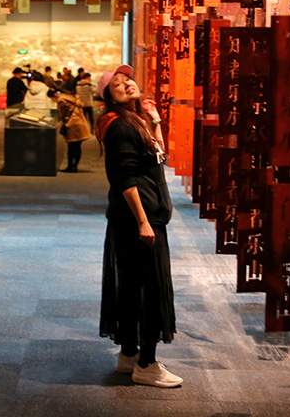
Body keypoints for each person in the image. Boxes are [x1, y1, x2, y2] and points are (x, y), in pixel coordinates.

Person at [96, 64, 181, 388]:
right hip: (140, 222)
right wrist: (143, 222)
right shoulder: (120, 126)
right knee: (149, 291)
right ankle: (147, 363)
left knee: (132, 287)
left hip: (142, 218)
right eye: (117, 84)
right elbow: (123, 177)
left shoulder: (136, 121)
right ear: (110, 98)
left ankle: (128, 355)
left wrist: (155, 119)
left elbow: (158, 156)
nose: (127, 84)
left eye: (128, 79)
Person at [50, 88, 92, 172]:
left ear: (54, 95)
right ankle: (75, 165)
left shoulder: (61, 100)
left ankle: (70, 166)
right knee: (77, 146)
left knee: (71, 147)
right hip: (80, 121)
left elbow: (62, 113)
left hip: (72, 123)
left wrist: (63, 120)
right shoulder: (71, 97)